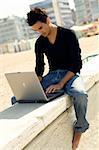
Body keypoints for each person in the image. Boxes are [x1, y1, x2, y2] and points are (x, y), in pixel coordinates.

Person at [27, 8, 89, 150]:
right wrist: (36, 82)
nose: (40, 32)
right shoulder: (39, 43)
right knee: (17, 98)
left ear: (48, 20)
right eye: (36, 30)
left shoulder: (68, 35)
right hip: (52, 75)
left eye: (41, 28)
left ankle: (80, 128)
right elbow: (39, 67)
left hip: (70, 75)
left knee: (80, 95)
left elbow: (76, 65)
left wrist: (61, 83)